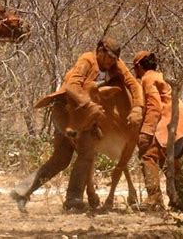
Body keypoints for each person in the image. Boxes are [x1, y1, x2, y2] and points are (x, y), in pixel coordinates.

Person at [11, 36, 144, 211]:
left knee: (61, 159)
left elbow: (133, 84)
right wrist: (88, 104)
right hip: (65, 113)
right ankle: (73, 199)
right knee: (86, 153)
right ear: (100, 51)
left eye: (114, 59)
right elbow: (71, 87)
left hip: (82, 116)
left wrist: (138, 107)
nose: (111, 62)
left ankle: (21, 191)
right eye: (109, 57)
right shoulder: (86, 60)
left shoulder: (116, 65)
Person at [132, 51, 183, 211]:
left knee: (148, 156)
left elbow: (154, 106)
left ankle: (154, 201)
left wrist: (146, 132)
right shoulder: (160, 76)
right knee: (170, 163)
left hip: (171, 124)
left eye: (135, 68)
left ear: (139, 66)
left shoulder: (148, 78)